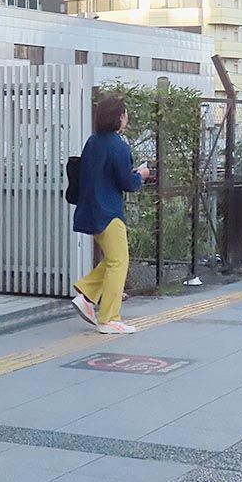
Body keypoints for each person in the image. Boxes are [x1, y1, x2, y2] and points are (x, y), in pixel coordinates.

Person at [70, 95, 150, 334]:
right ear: (119, 117)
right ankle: (109, 318)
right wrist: (141, 175)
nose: (126, 118)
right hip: (109, 212)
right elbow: (127, 182)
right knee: (119, 261)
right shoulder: (118, 144)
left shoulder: (92, 142)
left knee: (113, 259)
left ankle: (86, 294)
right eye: (125, 114)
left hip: (91, 210)